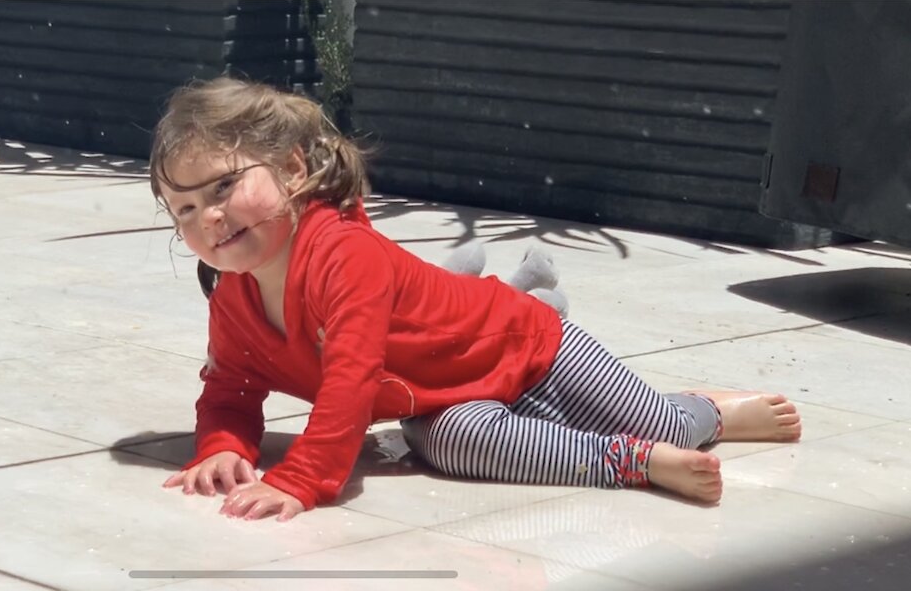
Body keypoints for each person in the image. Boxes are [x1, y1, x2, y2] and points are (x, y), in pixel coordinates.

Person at [153, 77, 802, 522]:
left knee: (656, 420)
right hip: (444, 402)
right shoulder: (234, 301)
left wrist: (301, 479)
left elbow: (351, 377)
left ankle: (701, 413)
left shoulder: (341, 252)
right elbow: (231, 387)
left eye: (223, 188)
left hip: (531, 345)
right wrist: (224, 445)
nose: (207, 217)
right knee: (452, 447)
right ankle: (631, 462)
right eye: (183, 208)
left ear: (294, 171)